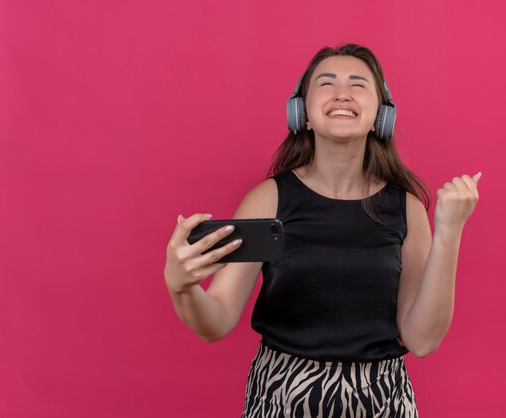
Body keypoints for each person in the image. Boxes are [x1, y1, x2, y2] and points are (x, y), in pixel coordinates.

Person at [164, 43, 481, 417]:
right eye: (327, 83)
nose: (342, 93)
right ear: (303, 113)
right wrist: (181, 286)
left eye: (358, 84)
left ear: (381, 116)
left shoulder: (406, 208)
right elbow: (214, 322)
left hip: (382, 402)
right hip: (282, 397)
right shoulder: (268, 200)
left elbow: (422, 339)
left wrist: (449, 232)